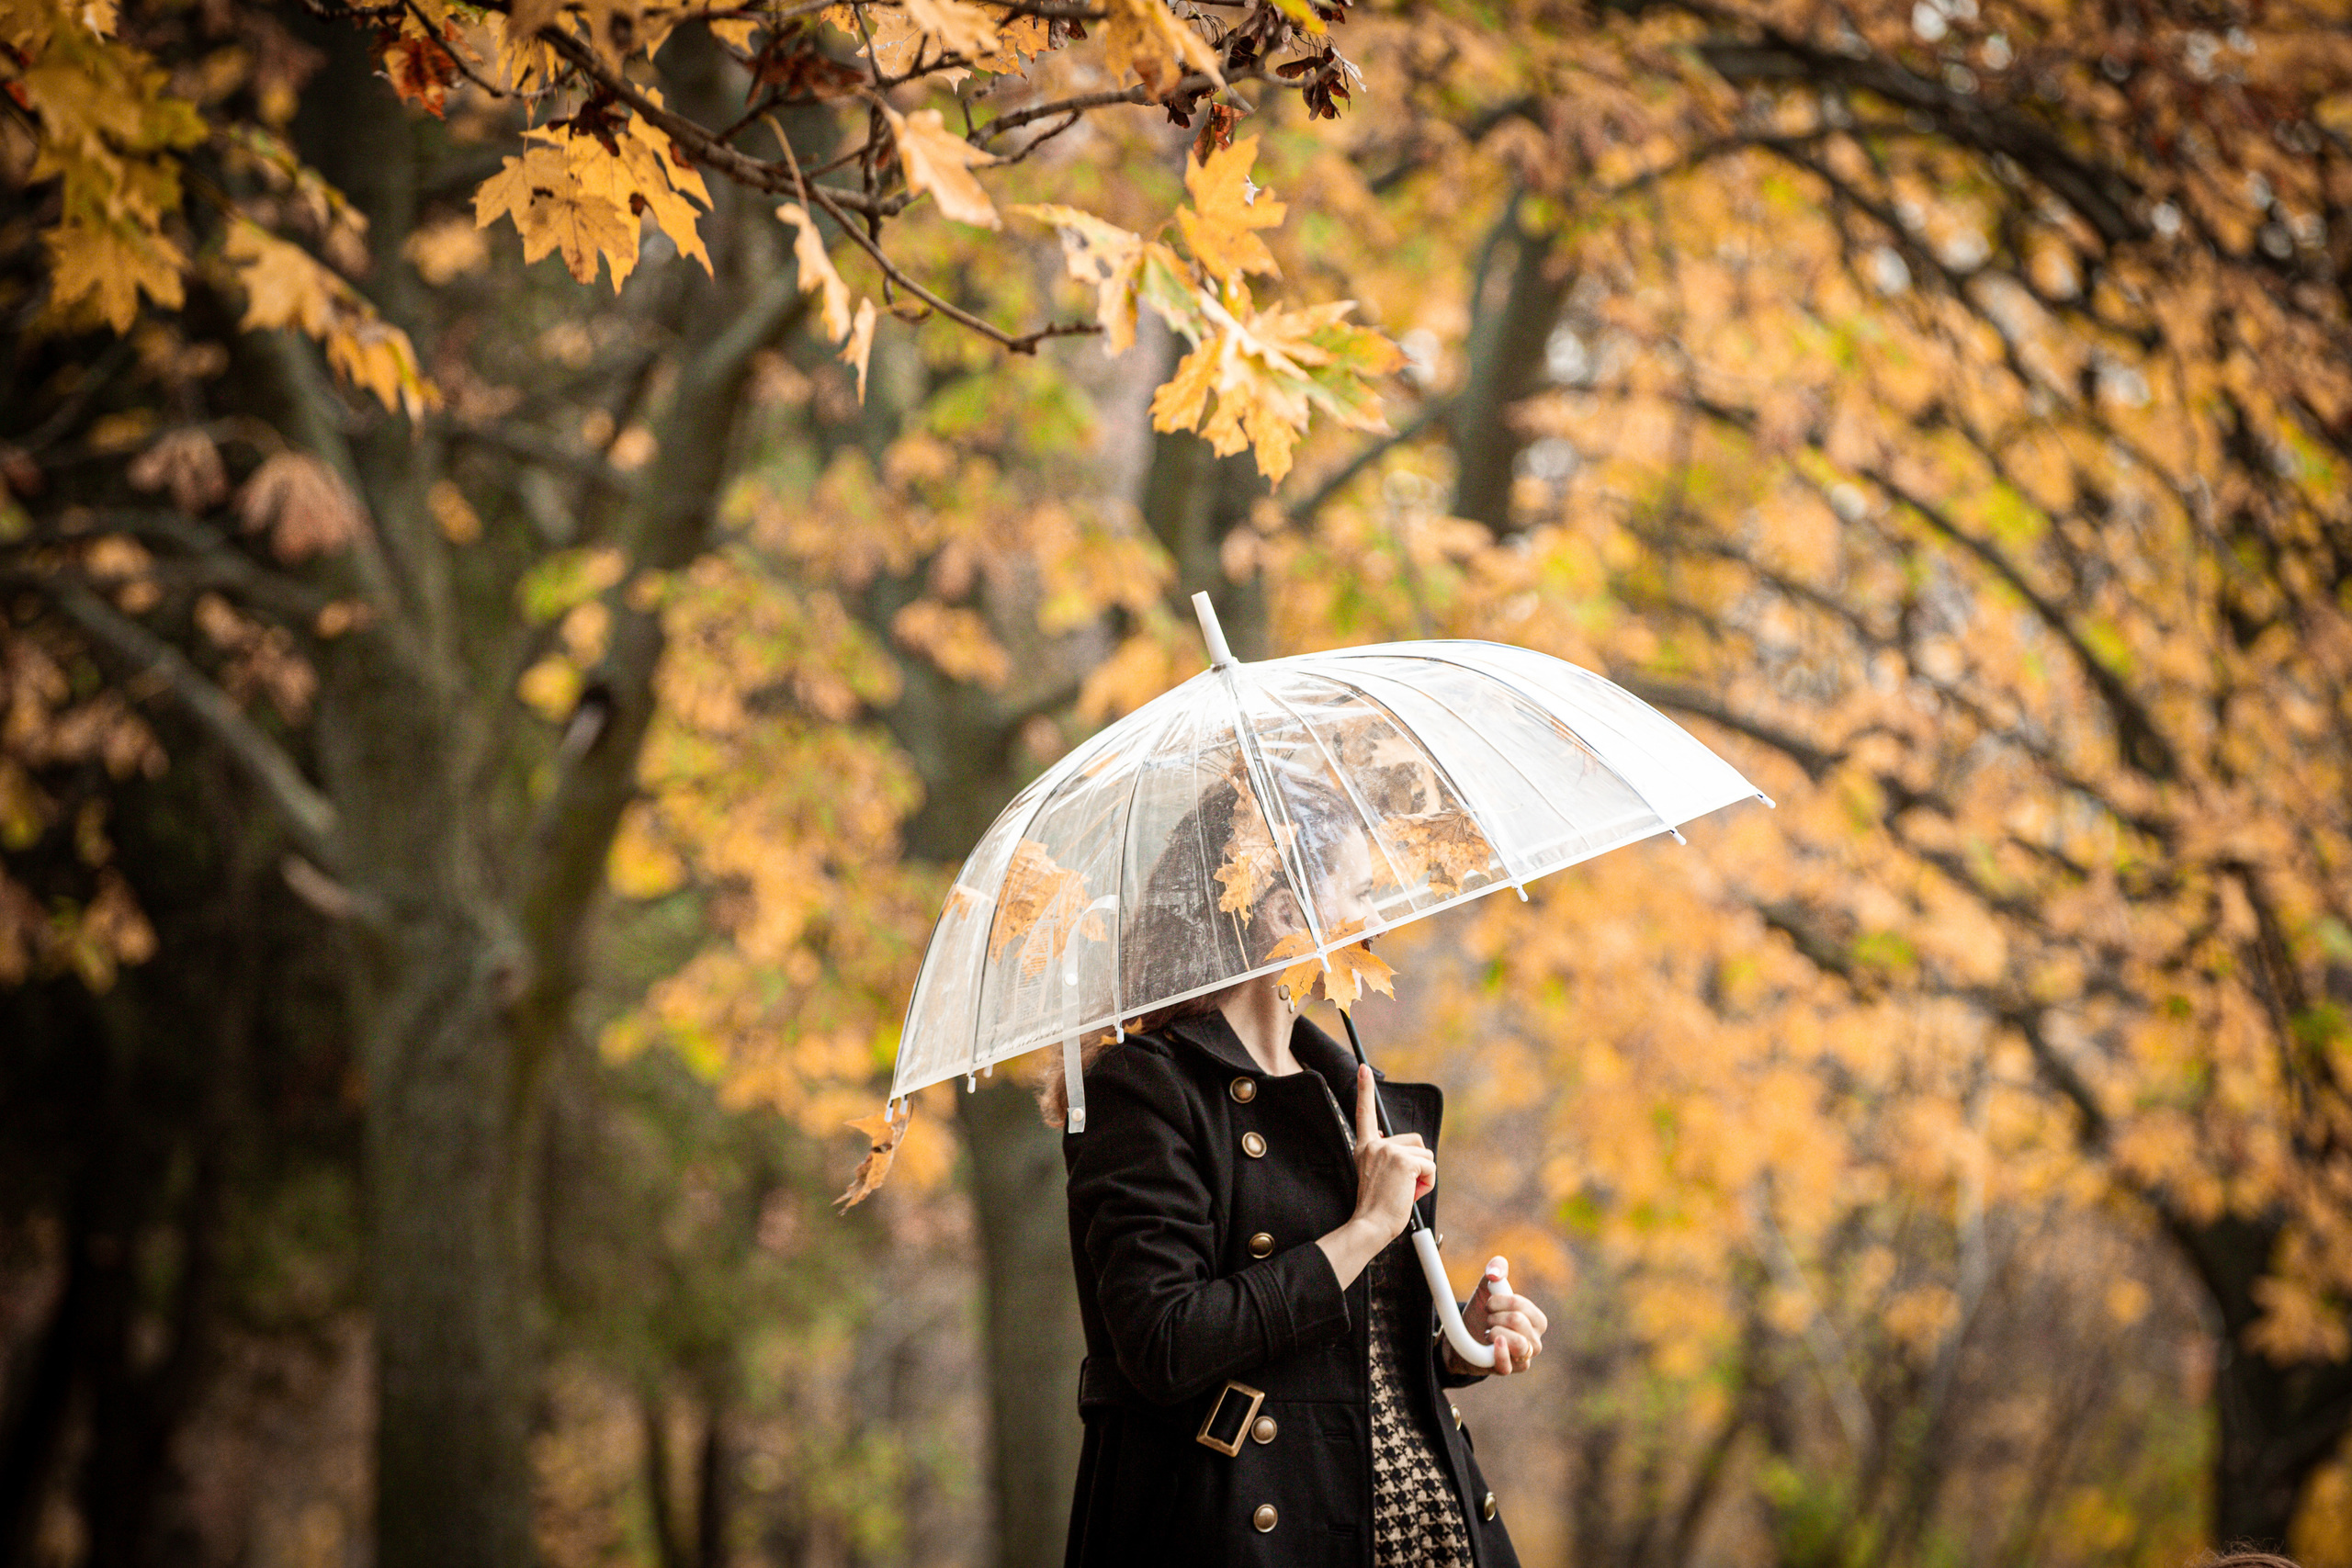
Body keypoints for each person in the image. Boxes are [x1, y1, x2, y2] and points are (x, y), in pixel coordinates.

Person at [1047, 763, 1547, 1566]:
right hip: (1239, 1530)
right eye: (1360, 892)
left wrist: (1457, 1340)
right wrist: (1365, 1230)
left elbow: (1356, 1355)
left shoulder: (1353, 1091)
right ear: (1286, 913)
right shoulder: (1147, 1091)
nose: (1376, 918)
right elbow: (1165, 1341)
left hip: (1420, 1524)